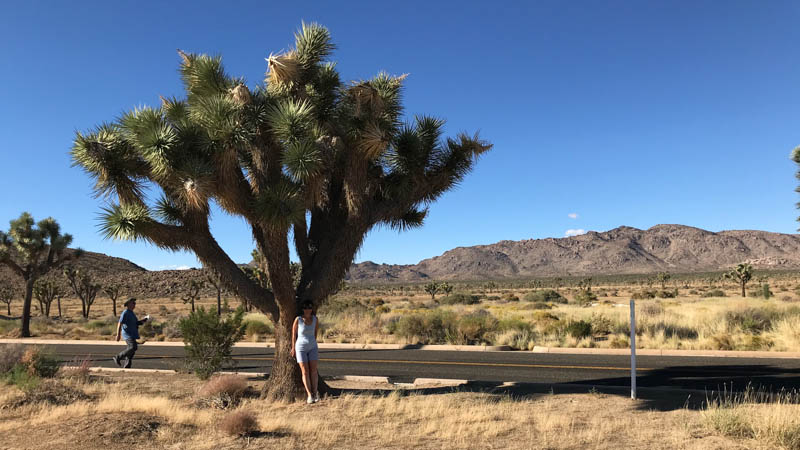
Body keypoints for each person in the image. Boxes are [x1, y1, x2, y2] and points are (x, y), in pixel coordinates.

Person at [291, 301, 320, 404]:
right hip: (301, 347)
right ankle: (309, 395)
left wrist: (313, 342)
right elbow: (293, 334)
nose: (307, 310)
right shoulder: (298, 319)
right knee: (305, 371)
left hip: (313, 347)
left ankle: (315, 393)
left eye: (309, 308)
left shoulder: (315, 319)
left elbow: (315, 332)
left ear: (312, 309)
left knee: (314, 370)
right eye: (305, 308)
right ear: (303, 309)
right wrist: (293, 347)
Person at [113, 298, 149, 368]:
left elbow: (135, 323)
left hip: (132, 334)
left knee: (131, 350)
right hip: (127, 334)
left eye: (135, 303)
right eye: (133, 303)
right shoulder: (125, 312)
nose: (135, 305)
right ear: (128, 304)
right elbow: (120, 323)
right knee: (133, 347)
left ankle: (127, 366)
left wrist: (144, 320)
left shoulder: (131, 313)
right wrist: (118, 335)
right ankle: (118, 357)